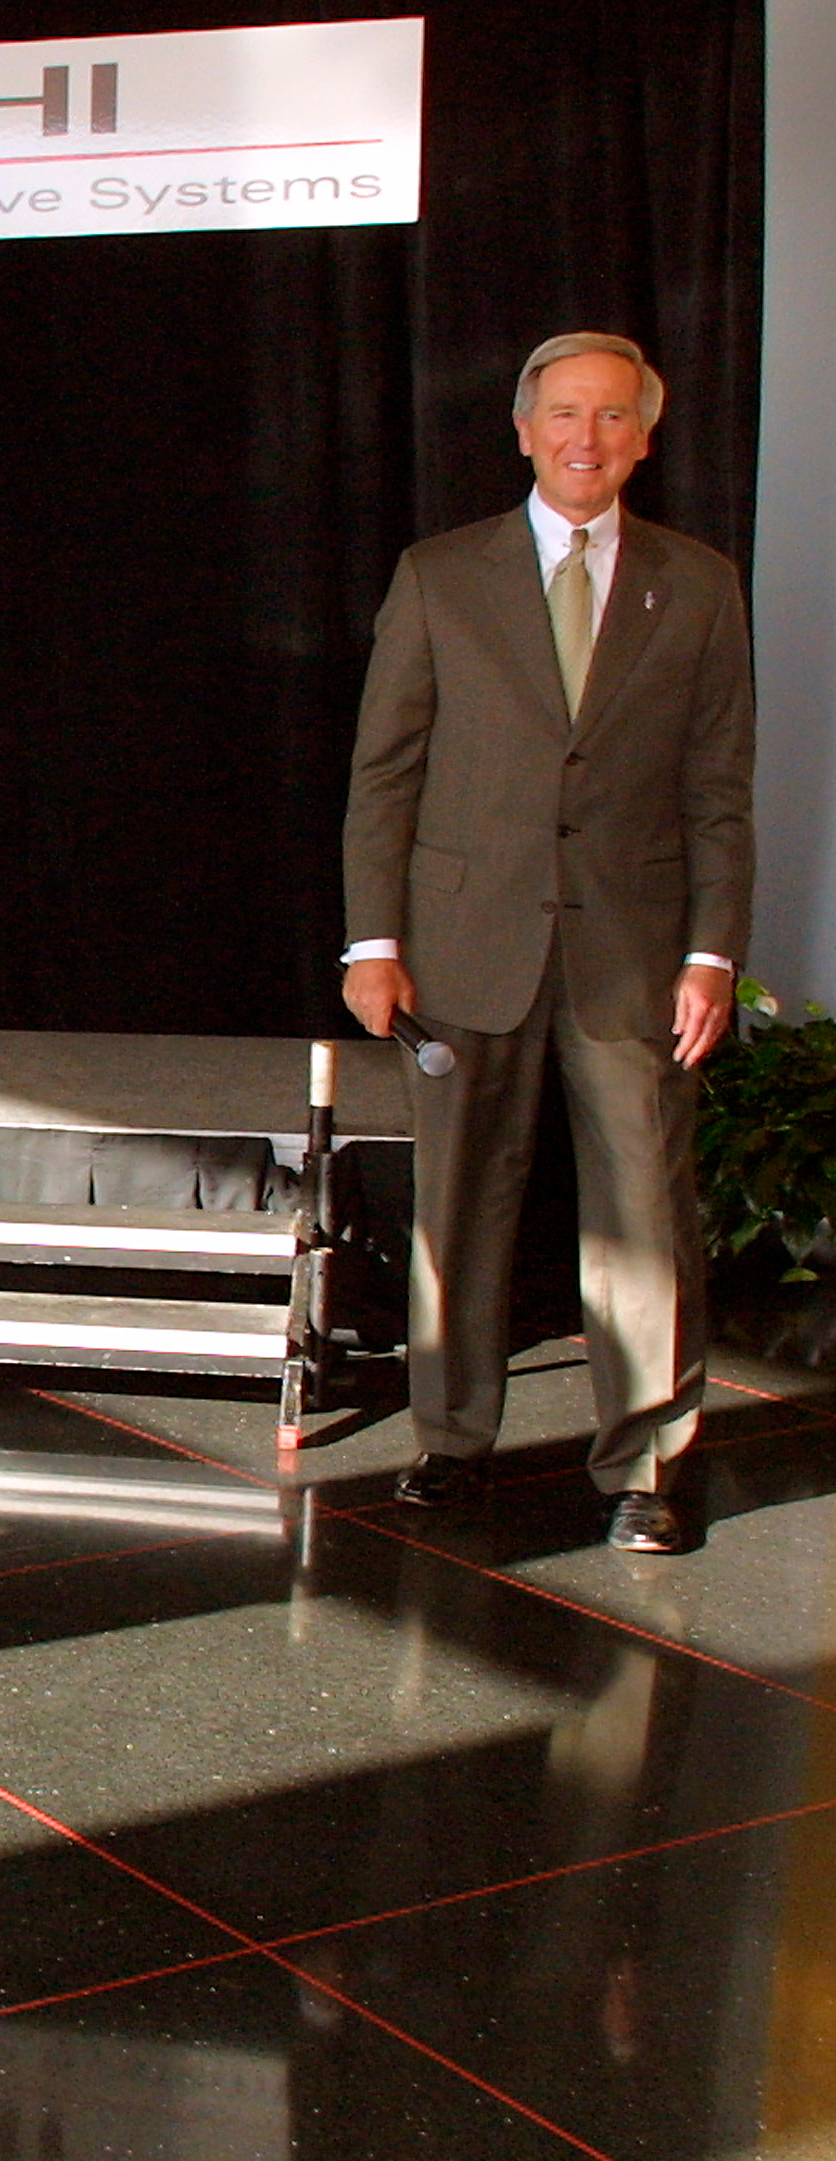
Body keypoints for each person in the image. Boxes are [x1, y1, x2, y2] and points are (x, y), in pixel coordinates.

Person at [340, 331, 754, 1556]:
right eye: (565, 413)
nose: (588, 437)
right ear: (524, 430)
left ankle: (646, 1464)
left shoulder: (698, 583)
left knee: (645, 1214)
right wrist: (373, 942)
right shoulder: (439, 575)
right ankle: (449, 1442)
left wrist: (713, 955)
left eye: (613, 416)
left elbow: (719, 787)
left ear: (645, 438)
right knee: (460, 1205)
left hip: (636, 956)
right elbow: (384, 774)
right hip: (464, 948)